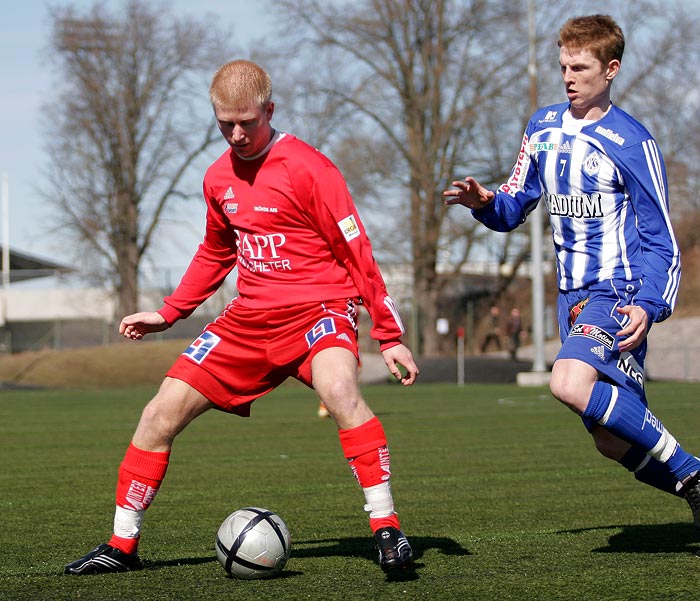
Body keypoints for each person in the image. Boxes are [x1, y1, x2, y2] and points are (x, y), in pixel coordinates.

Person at [65, 59, 418, 576]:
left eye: (246, 123)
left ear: (269, 111)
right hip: (247, 319)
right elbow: (214, 252)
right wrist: (169, 312)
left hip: (318, 308)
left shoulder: (310, 168)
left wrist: (389, 335)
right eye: (224, 123)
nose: (236, 134)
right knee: (157, 415)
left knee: (341, 393)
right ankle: (121, 547)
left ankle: (387, 531)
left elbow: (357, 251)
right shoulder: (216, 177)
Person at [444, 15, 700, 525]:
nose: (567, 76)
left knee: (565, 381)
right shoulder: (541, 128)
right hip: (571, 300)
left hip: (616, 294)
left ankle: (693, 472)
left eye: (579, 66)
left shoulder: (634, 143)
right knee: (610, 439)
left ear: (610, 69)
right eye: (562, 65)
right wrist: (483, 202)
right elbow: (514, 205)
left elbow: (661, 242)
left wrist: (649, 305)